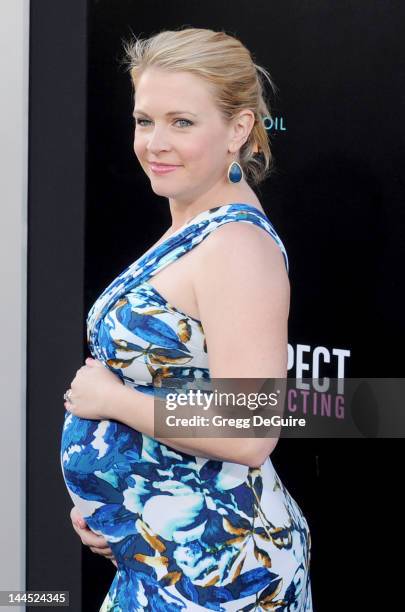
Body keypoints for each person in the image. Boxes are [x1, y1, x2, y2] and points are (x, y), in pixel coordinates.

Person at [60, 27, 312, 611]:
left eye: (182, 122)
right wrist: (114, 502)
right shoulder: (193, 224)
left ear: (240, 129)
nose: (155, 143)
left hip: (223, 572)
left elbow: (249, 431)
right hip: (161, 557)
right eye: (144, 121)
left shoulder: (236, 246)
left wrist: (112, 401)